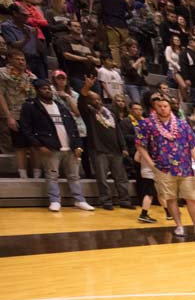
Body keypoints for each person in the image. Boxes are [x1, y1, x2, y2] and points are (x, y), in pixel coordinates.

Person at [135, 93, 195, 238]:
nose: (163, 109)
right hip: (162, 167)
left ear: (170, 107)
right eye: (159, 106)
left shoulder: (182, 124)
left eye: (165, 106)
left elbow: (193, 146)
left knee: (192, 198)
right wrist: (151, 164)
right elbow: (140, 145)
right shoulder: (147, 124)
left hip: (185, 166)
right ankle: (179, 226)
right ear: (154, 107)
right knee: (170, 198)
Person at [19, 78, 93, 212]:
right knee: (52, 176)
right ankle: (54, 200)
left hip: (69, 147)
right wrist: (38, 145)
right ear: (37, 91)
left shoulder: (60, 106)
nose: (47, 90)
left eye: (49, 88)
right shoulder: (31, 106)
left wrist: (78, 145)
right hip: (50, 147)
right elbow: (25, 129)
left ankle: (80, 200)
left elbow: (73, 127)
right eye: (44, 88)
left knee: (74, 176)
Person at [79, 88, 131, 210]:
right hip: (99, 150)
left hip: (115, 150)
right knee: (102, 178)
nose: (97, 101)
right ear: (89, 101)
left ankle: (124, 200)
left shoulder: (111, 113)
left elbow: (118, 131)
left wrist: (123, 146)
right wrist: (84, 91)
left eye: (98, 98)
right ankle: (106, 201)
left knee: (121, 177)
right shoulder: (89, 113)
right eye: (93, 99)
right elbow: (80, 103)